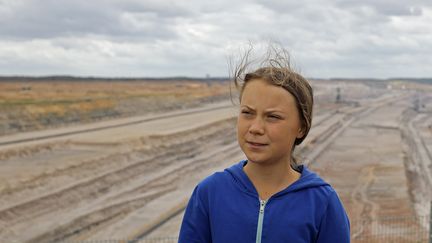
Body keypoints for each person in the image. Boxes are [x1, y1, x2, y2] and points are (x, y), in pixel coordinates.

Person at [178, 45, 350, 243]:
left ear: (301, 128)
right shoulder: (210, 193)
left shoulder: (322, 202)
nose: (255, 128)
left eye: (273, 117)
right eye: (247, 113)